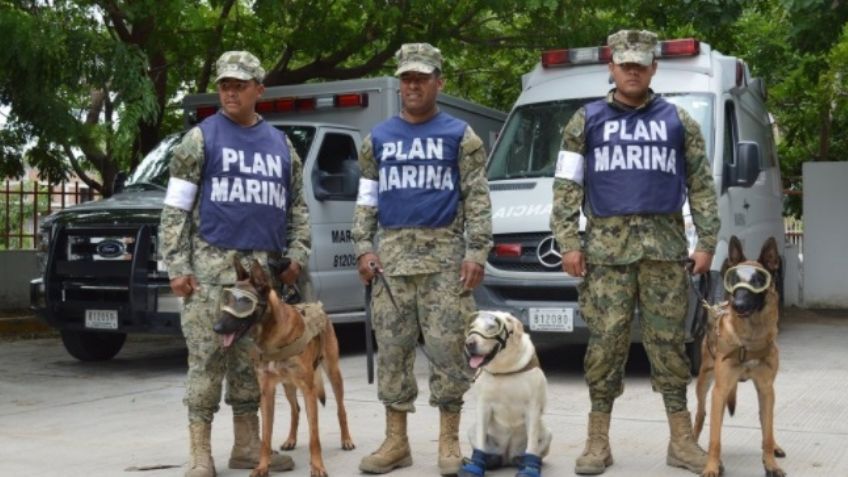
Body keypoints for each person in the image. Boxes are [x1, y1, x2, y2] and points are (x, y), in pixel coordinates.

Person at [550, 30, 720, 475]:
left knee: (669, 348)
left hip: (665, 254)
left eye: (640, 64)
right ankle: (597, 442)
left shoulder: (679, 121)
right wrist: (568, 243)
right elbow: (567, 187)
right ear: (611, 67)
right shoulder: (583, 121)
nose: (632, 70)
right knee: (604, 348)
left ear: (652, 69)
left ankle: (681, 442)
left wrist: (705, 242)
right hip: (605, 256)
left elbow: (701, 185)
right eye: (624, 63)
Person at [159, 50, 310, 477]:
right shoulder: (200, 139)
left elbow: (297, 206)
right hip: (209, 274)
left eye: (239, 85)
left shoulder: (281, 145)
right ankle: (200, 454)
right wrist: (177, 265)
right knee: (206, 362)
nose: (229, 91)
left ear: (258, 90)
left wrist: (297, 253)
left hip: (259, 280)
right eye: (224, 84)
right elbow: (175, 210)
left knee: (251, 364)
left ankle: (246, 447)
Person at [352, 42, 493, 475]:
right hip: (391, 267)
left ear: (438, 82)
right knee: (392, 353)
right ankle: (396, 442)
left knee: (449, 353)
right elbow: (366, 201)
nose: (413, 85)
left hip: (445, 264)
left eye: (421, 78)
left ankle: (448, 443)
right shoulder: (377, 139)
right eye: (407, 78)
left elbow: (477, 198)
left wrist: (477, 251)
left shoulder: (460, 136)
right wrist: (363, 247)